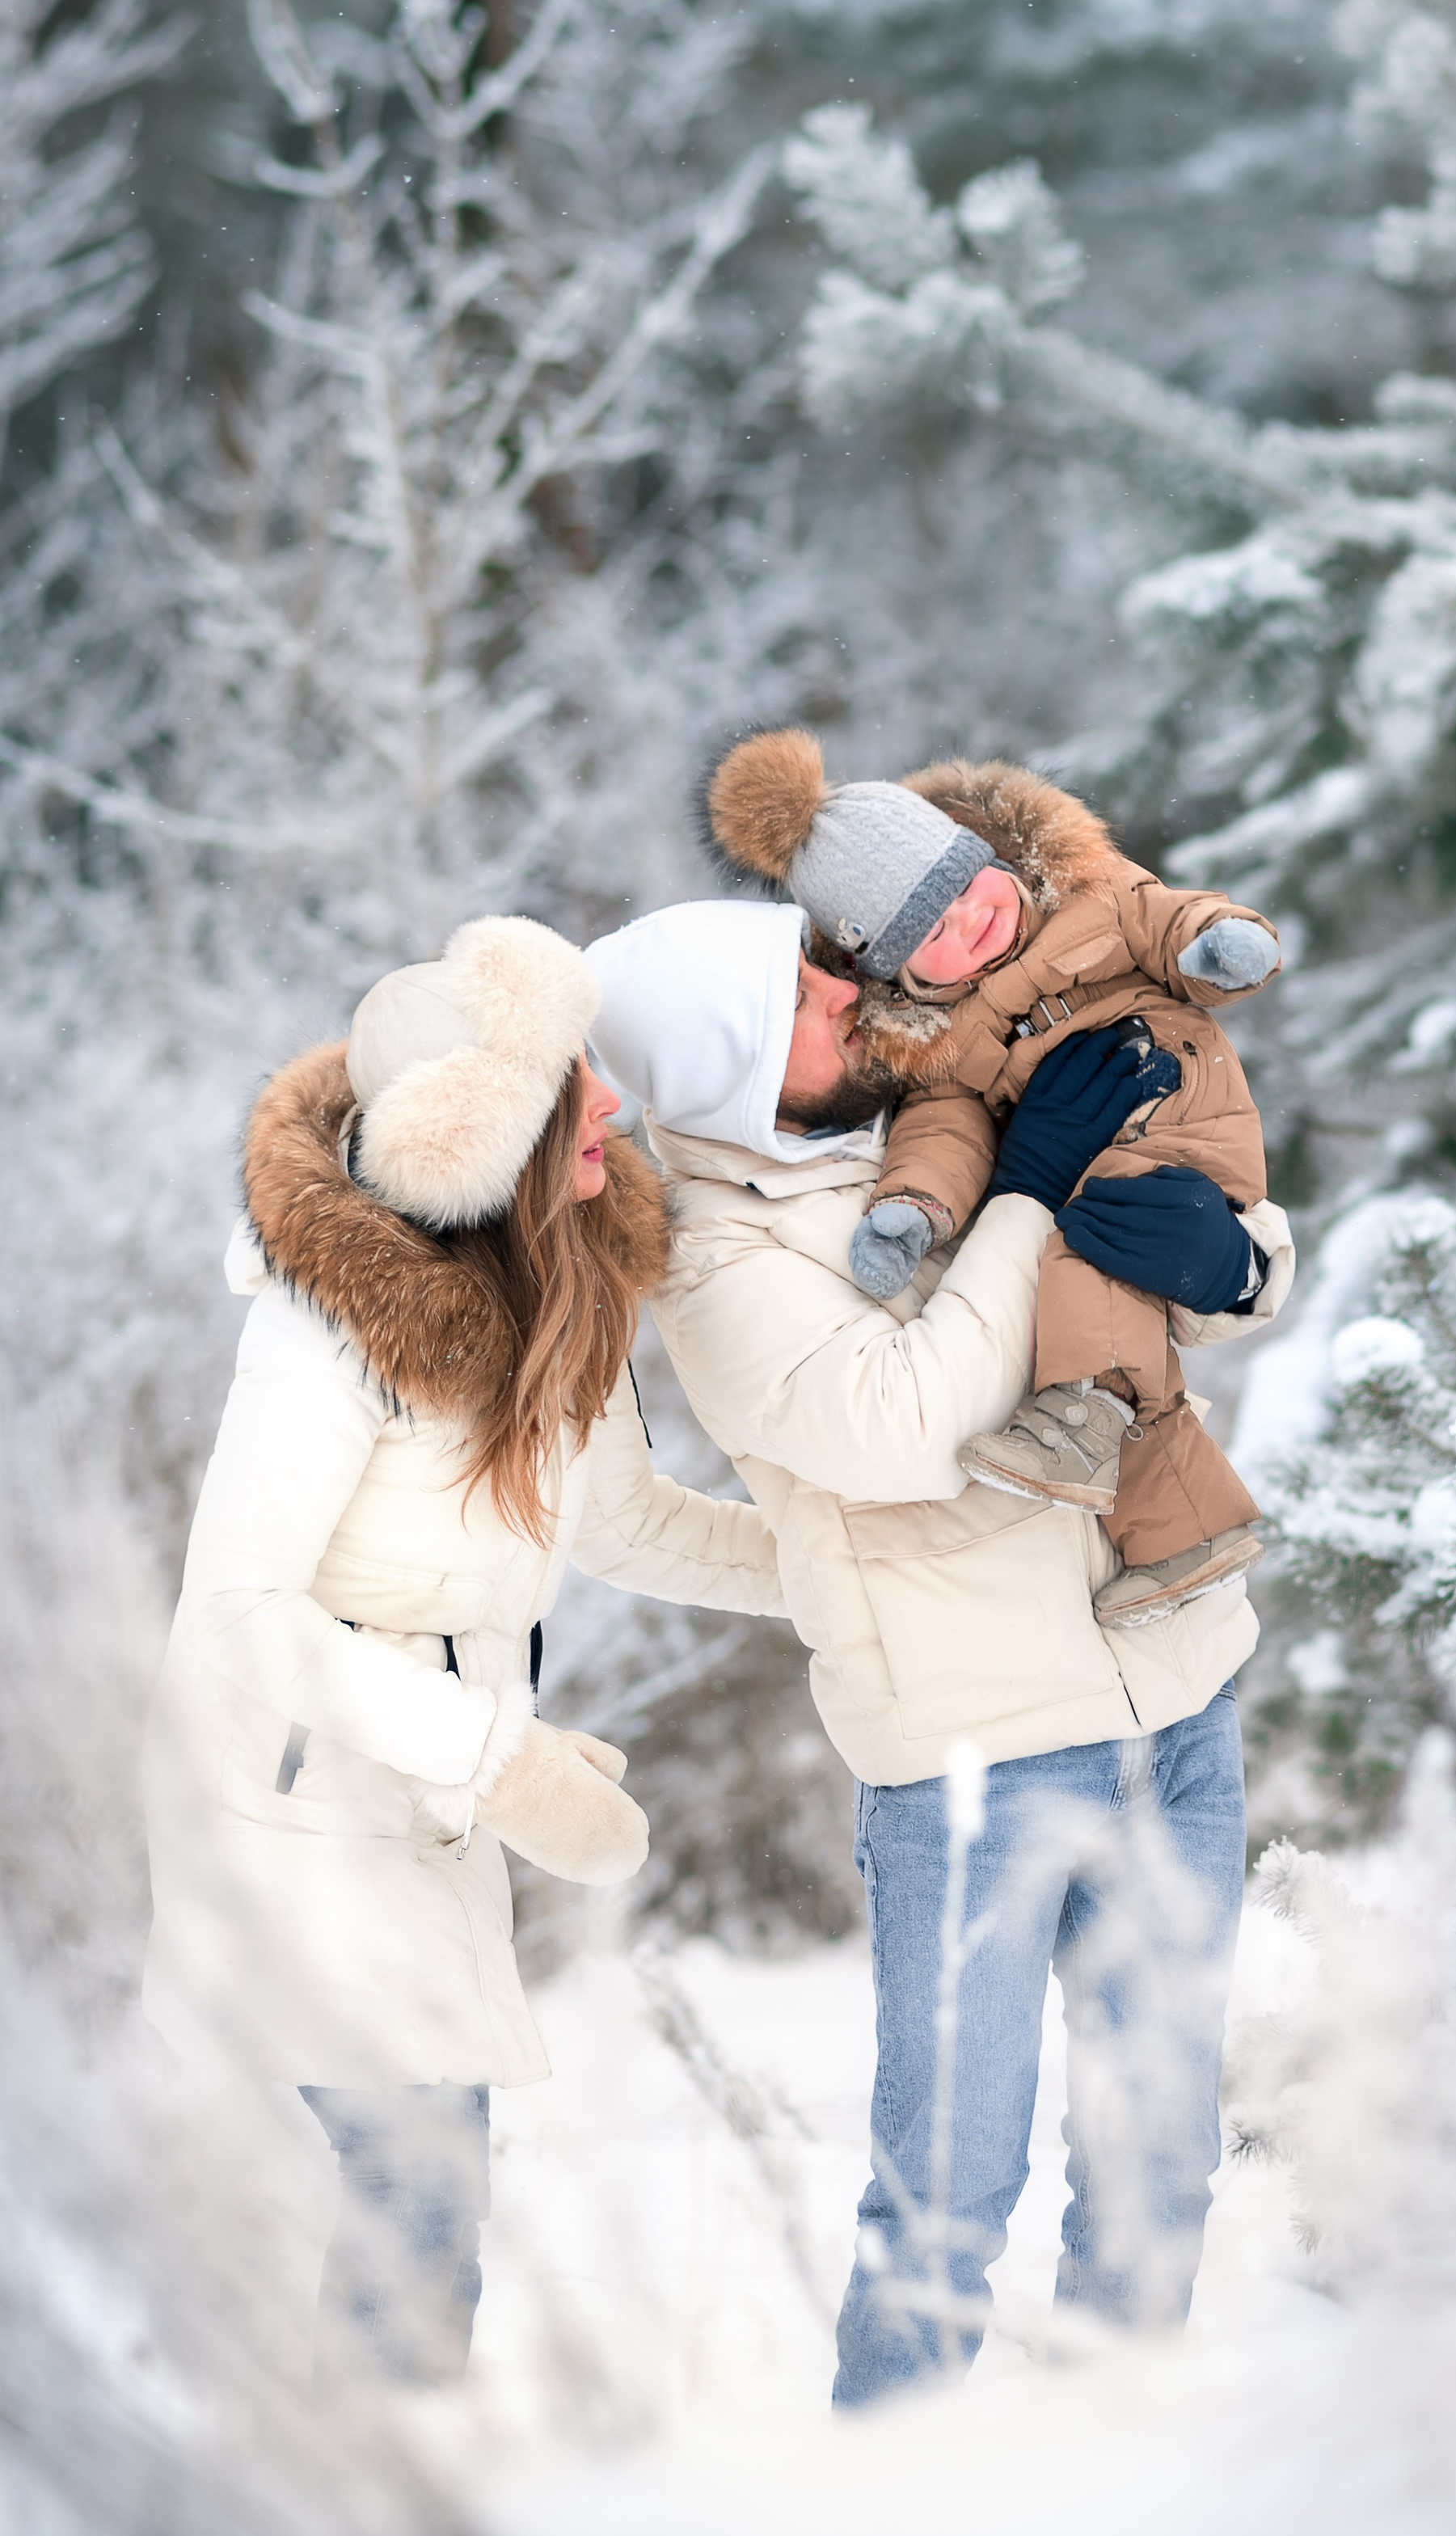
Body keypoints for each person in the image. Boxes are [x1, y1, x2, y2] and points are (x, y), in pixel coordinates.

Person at [583, 893, 1294, 2410]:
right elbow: (903, 1426)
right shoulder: (720, 1268)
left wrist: (1233, 1262)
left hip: (1172, 1689)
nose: (855, 999)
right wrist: (1029, 1197)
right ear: (724, 1066)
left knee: (1161, 2156)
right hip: (976, 1763)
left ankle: (1112, 2470)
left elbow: (1169, 1242)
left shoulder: (940, 1096)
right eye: (810, 1001)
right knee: (948, 2201)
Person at [141, 914, 786, 2386]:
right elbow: (237, 1610)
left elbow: (625, 1520)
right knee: (411, 2182)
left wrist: (835, 1574)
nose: (612, 1103)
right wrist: (498, 1756)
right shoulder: (330, 1326)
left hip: (422, 1785)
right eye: (574, 1084)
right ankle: (347, 2472)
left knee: (428, 2192)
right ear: (481, 1131)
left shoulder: (564, 1280)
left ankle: (355, 2455)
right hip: (291, 1798)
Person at [702, 730, 1283, 1627]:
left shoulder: (1090, 895)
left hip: (1177, 1111)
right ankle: (1171, 1524)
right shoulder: (926, 1051)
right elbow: (944, 1127)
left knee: (1083, 1265)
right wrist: (916, 1206)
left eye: (965, 892)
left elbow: (1167, 919)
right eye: (930, 933)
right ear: (887, 971)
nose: (969, 923)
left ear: (988, 855)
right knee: (1077, 1270)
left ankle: (1093, 1425)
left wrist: (1219, 945)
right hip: (1093, 1191)